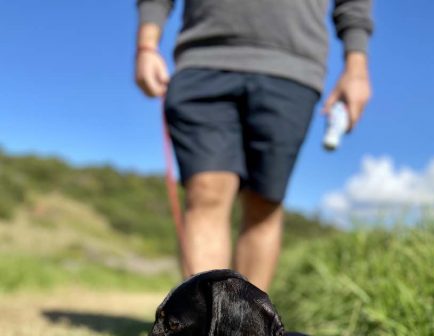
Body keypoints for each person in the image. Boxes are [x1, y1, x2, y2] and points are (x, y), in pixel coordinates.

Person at [135, 0, 373, 291]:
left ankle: (248, 330)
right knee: (205, 192)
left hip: (293, 69)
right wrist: (147, 45)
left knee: (265, 202)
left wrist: (356, 67)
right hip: (203, 59)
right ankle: (207, 328)